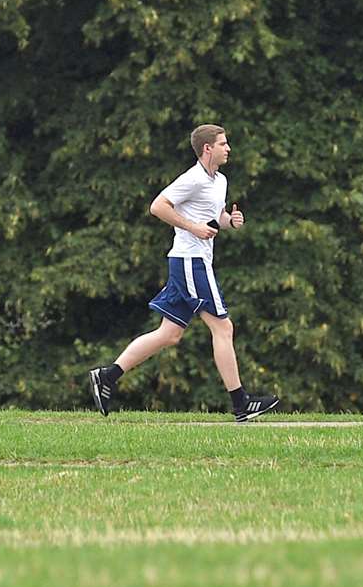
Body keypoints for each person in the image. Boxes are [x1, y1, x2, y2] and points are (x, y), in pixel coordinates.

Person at [88, 124, 282, 422]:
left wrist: (231, 221)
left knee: (169, 334)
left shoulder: (220, 181)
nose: (228, 148)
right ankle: (241, 404)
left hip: (189, 261)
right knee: (223, 328)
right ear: (208, 148)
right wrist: (192, 228)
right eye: (223, 144)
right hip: (191, 261)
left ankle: (107, 376)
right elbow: (157, 207)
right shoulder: (192, 179)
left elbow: (213, 217)